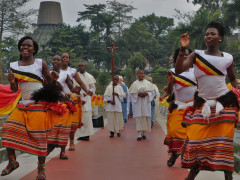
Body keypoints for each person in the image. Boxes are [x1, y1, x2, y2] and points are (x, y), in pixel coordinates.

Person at [175, 21, 239, 180]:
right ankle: (193, 173)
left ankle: (228, 175)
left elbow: (232, 80)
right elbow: (179, 70)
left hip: (224, 105)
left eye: (213, 34)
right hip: (202, 104)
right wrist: (183, 48)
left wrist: (238, 86)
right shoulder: (196, 54)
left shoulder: (228, 58)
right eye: (207, 34)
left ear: (220, 38)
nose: (208, 36)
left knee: (224, 142)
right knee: (196, 142)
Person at [1, 36, 63, 179]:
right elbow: (14, 89)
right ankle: (12, 162)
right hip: (23, 105)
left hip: (39, 105)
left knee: (39, 137)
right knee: (8, 129)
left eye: (29, 46)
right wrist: (11, 82)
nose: (25, 48)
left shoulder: (41, 63)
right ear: (19, 48)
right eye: (23, 45)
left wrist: (53, 79)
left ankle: (41, 170)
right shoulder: (13, 65)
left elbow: (49, 85)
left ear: (34, 49)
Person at [163, 48, 197, 168]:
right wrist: (170, 82)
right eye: (182, 55)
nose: (185, 57)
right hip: (178, 105)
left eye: (188, 55)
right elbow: (170, 90)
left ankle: (187, 156)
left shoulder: (196, 71)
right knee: (174, 131)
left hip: (194, 107)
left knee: (191, 134)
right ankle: (174, 153)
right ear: (177, 57)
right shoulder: (172, 71)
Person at [47, 55, 76, 159]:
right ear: (52, 61)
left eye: (58, 60)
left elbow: (71, 88)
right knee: (52, 128)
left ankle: (63, 151)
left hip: (63, 104)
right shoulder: (47, 74)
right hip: (50, 104)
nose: (55, 61)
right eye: (54, 59)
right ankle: (47, 148)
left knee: (64, 128)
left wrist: (76, 90)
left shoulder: (65, 74)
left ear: (61, 62)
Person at [129, 70, 154, 141]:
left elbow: (152, 92)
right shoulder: (134, 84)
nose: (141, 74)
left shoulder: (148, 83)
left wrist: (147, 94)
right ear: (137, 74)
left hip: (146, 102)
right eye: (139, 73)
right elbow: (131, 94)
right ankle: (139, 134)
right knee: (139, 118)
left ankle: (144, 133)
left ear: (144, 74)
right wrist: (138, 94)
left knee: (145, 117)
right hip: (138, 102)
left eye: (142, 73)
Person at [74, 62, 96, 141]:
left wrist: (90, 92)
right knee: (79, 117)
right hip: (78, 98)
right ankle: (81, 135)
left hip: (87, 99)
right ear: (78, 67)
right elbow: (73, 87)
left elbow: (93, 87)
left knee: (87, 117)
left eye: (82, 65)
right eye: (79, 66)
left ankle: (87, 135)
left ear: (85, 67)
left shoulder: (90, 76)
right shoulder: (75, 76)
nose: (81, 67)